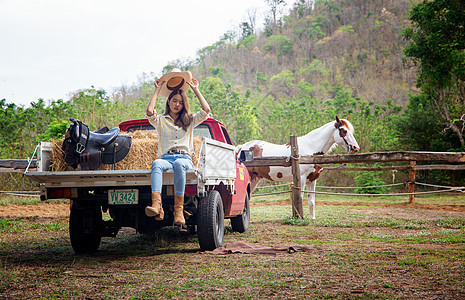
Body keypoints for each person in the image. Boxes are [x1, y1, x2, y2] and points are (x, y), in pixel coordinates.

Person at [145, 68, 211, 226]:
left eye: (181, 102)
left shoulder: (189, 120)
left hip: (184, 158)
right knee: (156, 164)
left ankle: (179, 210)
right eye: (174, 100)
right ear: (168, 101)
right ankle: (156, 205)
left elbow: (206, 110)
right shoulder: (161, 120)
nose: (177, 104)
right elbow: (149, 111)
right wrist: (157, 90)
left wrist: (196, 90)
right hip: (166, 158)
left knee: (179, 164)